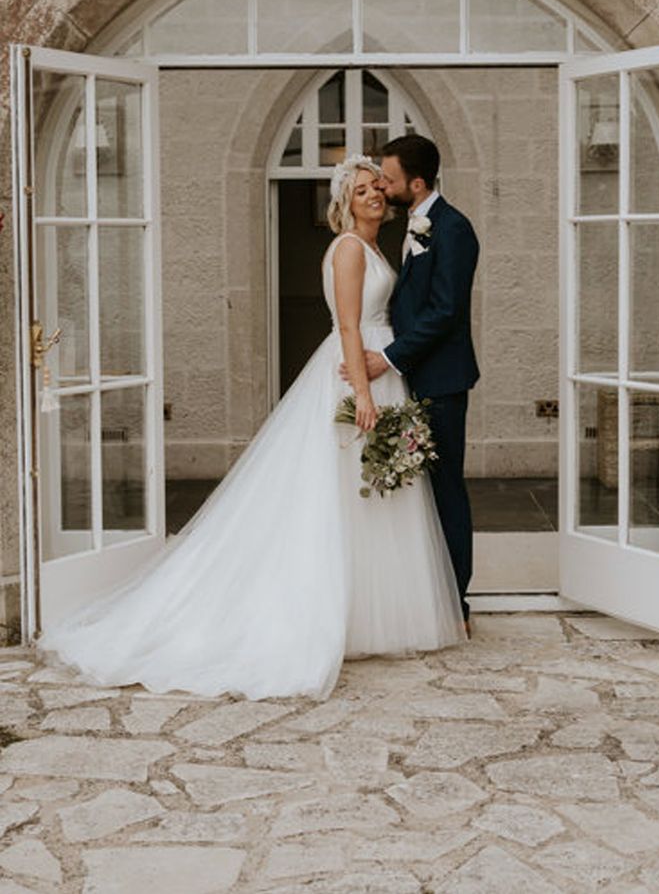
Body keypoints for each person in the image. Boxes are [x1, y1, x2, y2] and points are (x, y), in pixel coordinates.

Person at [36, 155, 465, 702]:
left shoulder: (376, 246)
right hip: (357, 370)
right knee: (339, 495)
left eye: (376, 187)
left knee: (370, 497)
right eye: (360, 192)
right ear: (344, 204)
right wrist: (361, 392)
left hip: (379, 369)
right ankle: (320, 614)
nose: (374, 196)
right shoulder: (350, 250)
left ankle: (367, 615)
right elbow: (351, 325)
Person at [343, 135, 480, 635]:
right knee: (416, 499)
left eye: (389, 179)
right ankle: (426, 598)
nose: (381, 185)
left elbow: (445, 311)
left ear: (416, 184)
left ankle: (457, 604)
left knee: (445, 493)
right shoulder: (410, 227)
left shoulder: (452, 229)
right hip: (409, 379)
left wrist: (390, 357)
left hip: (439, 381)